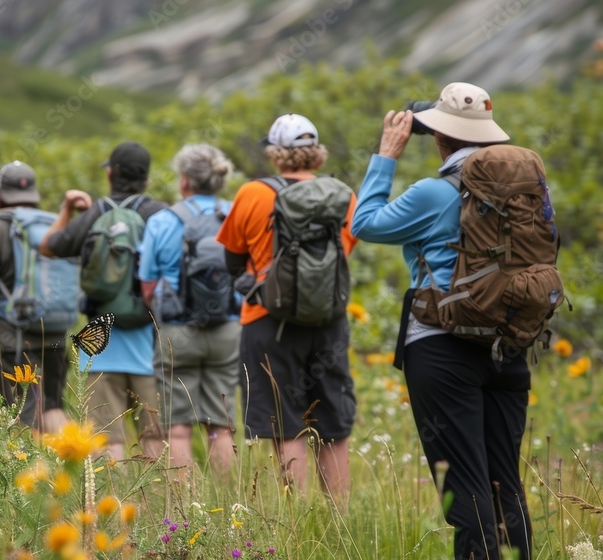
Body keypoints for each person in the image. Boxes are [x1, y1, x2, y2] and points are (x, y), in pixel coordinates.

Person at [351, 83, 531, 559]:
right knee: (504, 482)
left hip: (441, 344)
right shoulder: (526, 188)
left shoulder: (434, 192)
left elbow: (364, 224)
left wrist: (386, 156)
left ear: (439, 137)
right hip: (509, 343)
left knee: (465, 484)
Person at [216, 114, 358, 500]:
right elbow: (345, 252)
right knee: (332, 423)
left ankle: (299, 518)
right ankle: (338, 523)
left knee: (284, 422)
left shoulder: (252, 193)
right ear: (317, 154)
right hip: (328, 321)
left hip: (267, 320)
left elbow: (231, 259)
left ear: (277, 154)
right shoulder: (344, 195)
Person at [40, 141, 166, 460]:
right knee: (155, 433)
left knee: (108, 436)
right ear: (146, 179)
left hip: (100, 342)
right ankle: (160, 504)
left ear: (111, 174)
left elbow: (48, 246)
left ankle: (114, 503)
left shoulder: (96, 212)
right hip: (149, 340)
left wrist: (68, 210)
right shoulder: (159, 214)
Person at [138, 143, 240, 475]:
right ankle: (230, 508)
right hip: (228, 328)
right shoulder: (235, 214)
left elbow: (147, 285)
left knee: (178, 426)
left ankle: (185, 511)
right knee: (220, 426)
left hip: (177, 331)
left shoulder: (163, 220)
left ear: (184, 180)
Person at [0, 161, 75, 432]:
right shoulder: (55, 223)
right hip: (56, 331)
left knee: (16, 411)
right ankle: (70, 464)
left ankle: (28, 471)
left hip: (10, 335)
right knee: (52, 407)